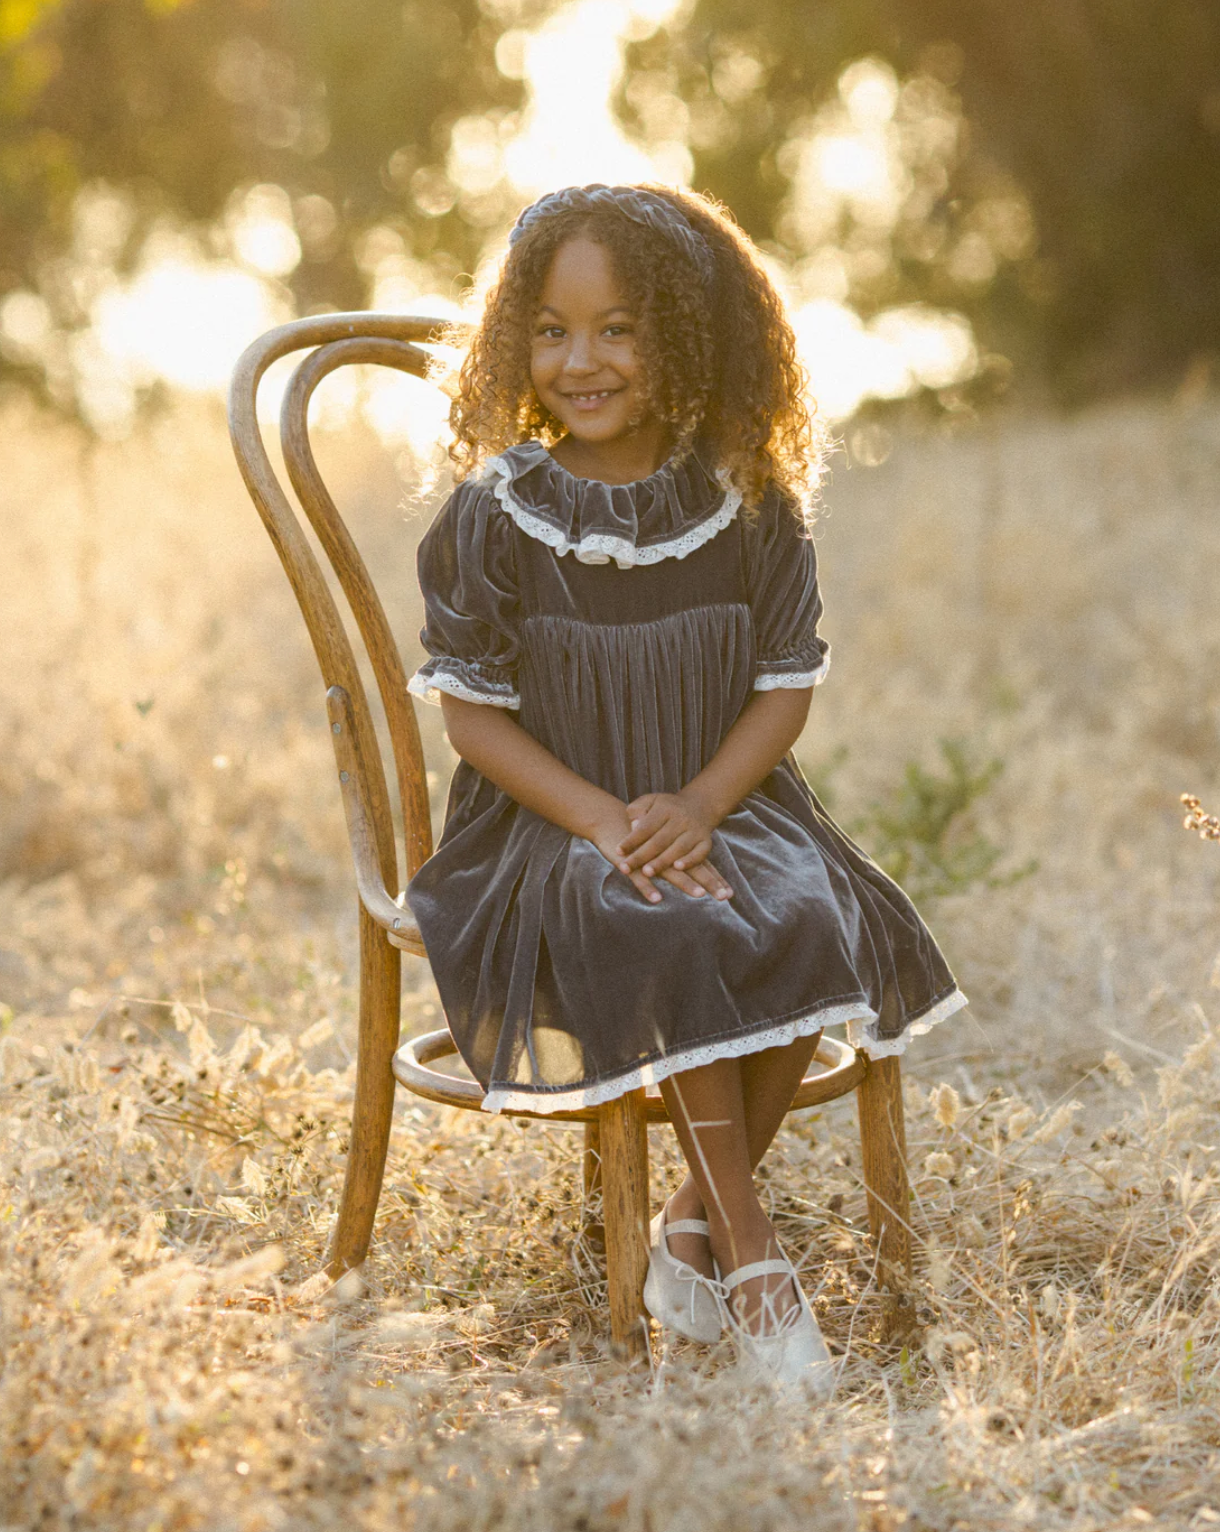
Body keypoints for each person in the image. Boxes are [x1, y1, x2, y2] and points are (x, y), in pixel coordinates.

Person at [404, 183, 966, 1392]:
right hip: (549, 824)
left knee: (811, 909)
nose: (580, 359)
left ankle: (686, 1225)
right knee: (664, 908)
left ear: (683, 334)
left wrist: (701, 803)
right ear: (515, 339)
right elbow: (473, 720)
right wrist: (611, 819)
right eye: (550, 329)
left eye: (618, 327)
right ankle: (754, 1256)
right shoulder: (497, 512)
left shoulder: (746, 499)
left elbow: (782, 691)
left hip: (723, 800)